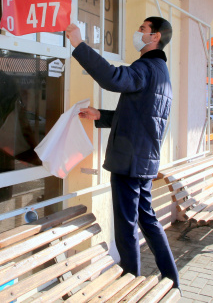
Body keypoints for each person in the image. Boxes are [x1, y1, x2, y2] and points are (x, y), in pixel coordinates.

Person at [65, 17, 180, 289]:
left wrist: (79, 44)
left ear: (155, 37)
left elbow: (113, 78)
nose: (137, 32)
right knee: (148, 222)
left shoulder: (146, 67)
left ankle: (129, 286)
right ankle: (172, 281)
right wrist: (99, 116)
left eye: (142, 29)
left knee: (126, 229)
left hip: (129, 163)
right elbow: (140, 116)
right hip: (143, 161)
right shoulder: (161, 71)